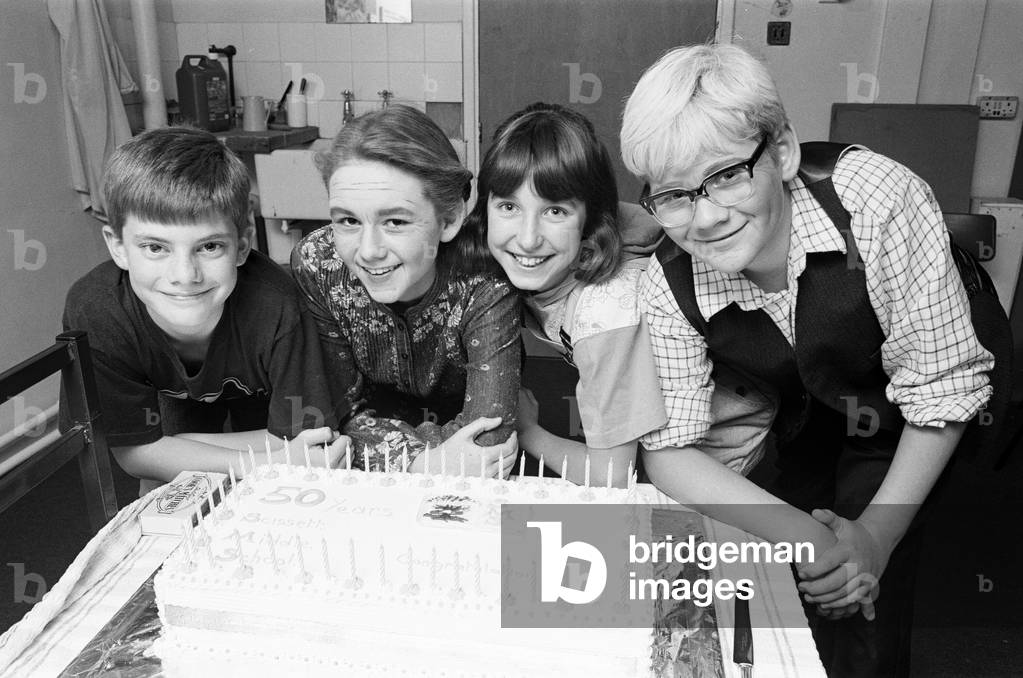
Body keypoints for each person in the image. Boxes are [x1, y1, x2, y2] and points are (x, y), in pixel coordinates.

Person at [620, 44, 995, 677]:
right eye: (676, 194)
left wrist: (874, 538)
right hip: (804, 408)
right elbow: (669, 450)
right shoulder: (668, 279)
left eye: (729, 175)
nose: (706, 218)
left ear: (784, 151)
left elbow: (940, 388)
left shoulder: (876, 203)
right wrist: (811, 538)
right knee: (790, 581)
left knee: (868, 599)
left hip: (919, 397)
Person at [459, 102, 775, 487]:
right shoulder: (564, 252)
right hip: (655, 422)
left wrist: (531, 434)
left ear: (591, 222)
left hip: (714, 445)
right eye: (509, 206)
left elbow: (613, 475)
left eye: (555, 211)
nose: (527, 238)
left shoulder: (604, 311)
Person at [62, 127, 348, 494]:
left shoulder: (277, 306)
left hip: (261, 405)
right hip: (189, 412)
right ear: (117, 247)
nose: (185, 276)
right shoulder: (97, 311)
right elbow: (133, 454)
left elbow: (306, 442)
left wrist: (171, 446)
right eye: (154, 247)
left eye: (209, 246)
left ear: (242, 245)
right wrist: (269, 464)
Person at [291, 105, 519, 477]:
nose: (368, 251)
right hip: (395, 482)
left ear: (449, 219)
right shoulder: (318, 264)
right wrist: (424, 462)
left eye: (395, 221)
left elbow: (489, 441)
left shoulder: (486, 279)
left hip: (471, 485)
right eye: (348, 220)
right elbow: (332, 420)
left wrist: (380, 449)